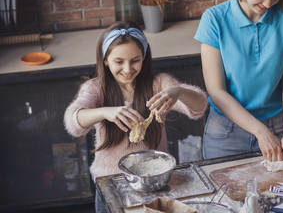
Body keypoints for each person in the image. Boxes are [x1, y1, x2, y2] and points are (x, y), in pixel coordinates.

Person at [64, 21, 208, 212]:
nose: (127, 69)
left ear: (144, 58)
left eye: (135, 60)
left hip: (154, 185)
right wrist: (105, 111)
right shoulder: (96, 89)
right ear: (105, 60)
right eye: (118, 61)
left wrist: (178, 91)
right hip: (110, 186)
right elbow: (73, 121)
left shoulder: (158, 84)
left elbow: (199, 107)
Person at [194, 0, 283, 162]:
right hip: (226, 131)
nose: (268, 4)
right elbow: (216, 91)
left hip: (278, 126)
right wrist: (260, 131)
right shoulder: (214, 19)